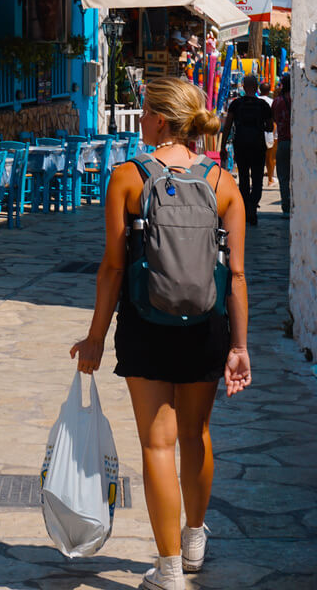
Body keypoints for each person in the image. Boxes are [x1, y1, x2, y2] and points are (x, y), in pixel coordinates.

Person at [71, 77, 250, 590]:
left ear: (163, 120)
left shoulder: (127, 178)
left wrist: (95, 339)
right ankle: (194, 536)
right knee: (196, 435)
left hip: (145, 326)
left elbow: (111, 268)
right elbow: (235, 275)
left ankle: (168, 569)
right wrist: (239, 346)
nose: (141, 118)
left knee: (157, 443)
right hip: (207, 326)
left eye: (146, 111)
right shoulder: (224, 183)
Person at [220, 74, 272, 226]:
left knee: (243, 178)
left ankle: (245, 207)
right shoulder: (263, 106)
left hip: (241, 145)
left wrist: (222, 146)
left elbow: (228, 126)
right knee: (257, 180)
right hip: (258, 146)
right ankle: (252, 208)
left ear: (243, 87)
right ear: (256, 88)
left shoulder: (236, 104)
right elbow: (269, 127)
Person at [272, 74, 292, 216]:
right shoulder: (298, 100)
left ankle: (286, 206)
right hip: (298, 142)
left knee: (283, 177)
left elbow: (273, 118)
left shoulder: (277, 101)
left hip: (283, 141)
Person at [258, 80, 276, 187]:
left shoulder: (255, 100)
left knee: (258, 157)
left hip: (257, 133)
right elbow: (274, 119)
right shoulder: (272, 102)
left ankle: (258, 179)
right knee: (270, 157)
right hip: (269, 133)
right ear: (269, 91)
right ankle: (270, 179)